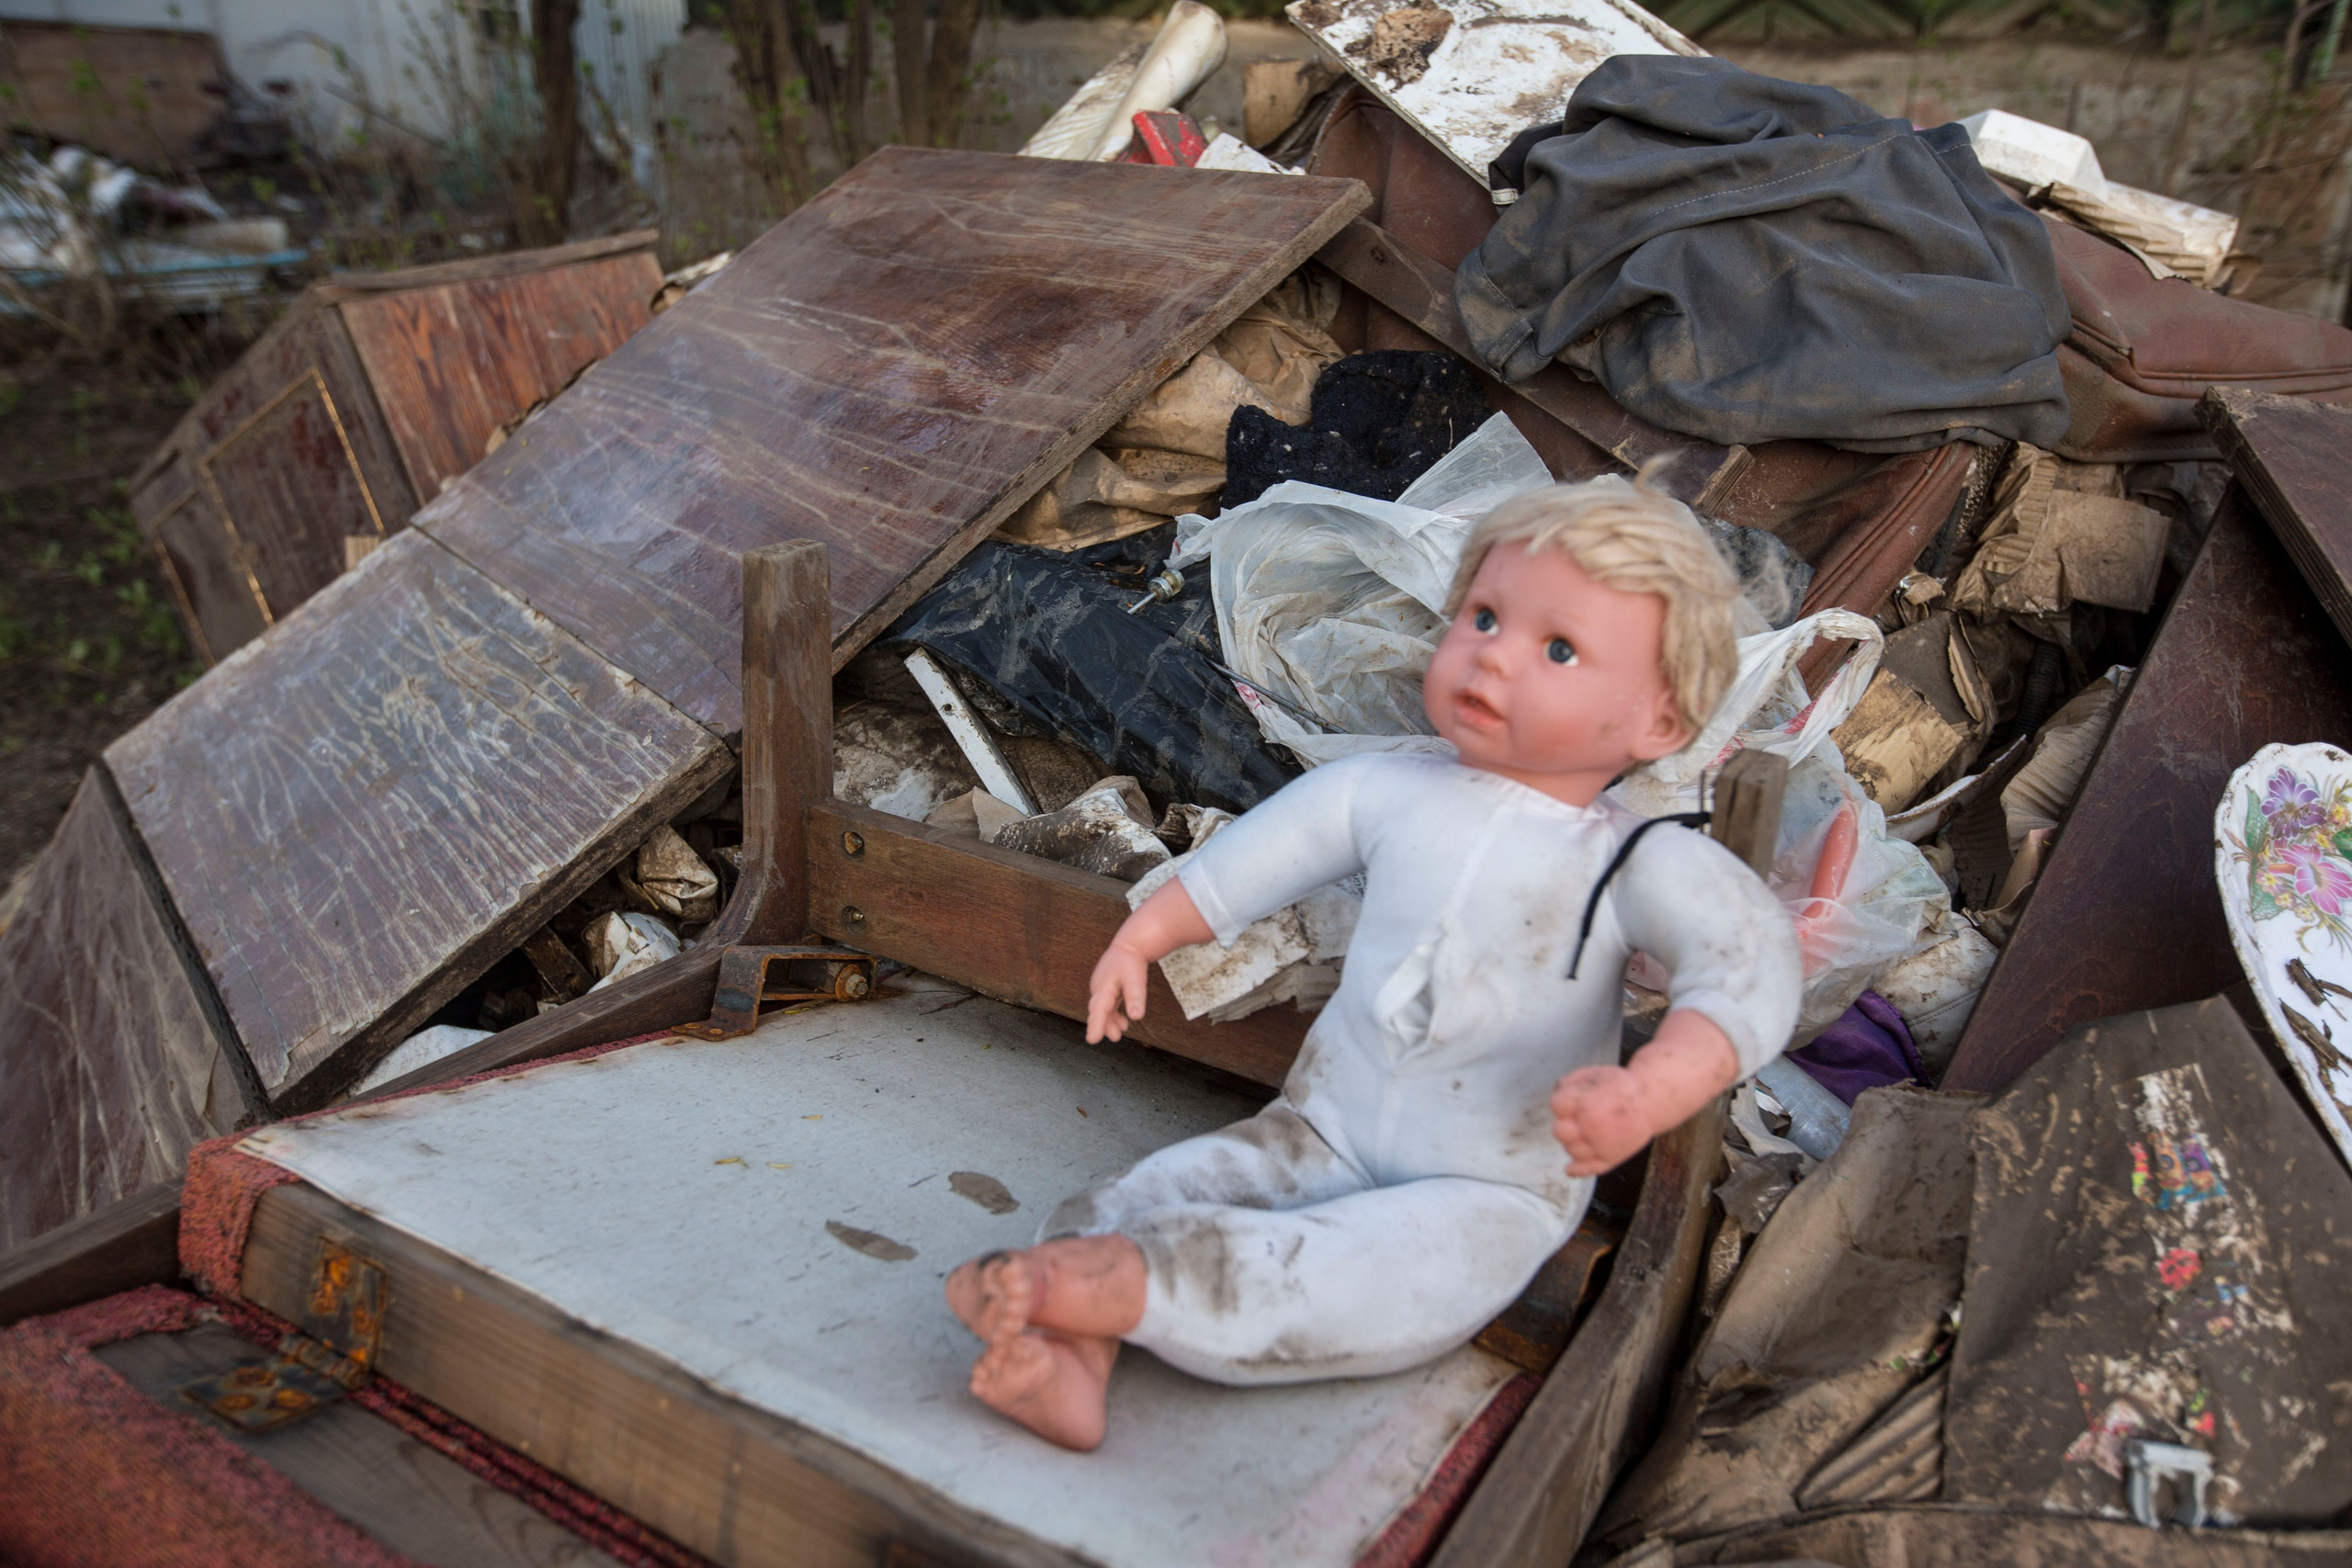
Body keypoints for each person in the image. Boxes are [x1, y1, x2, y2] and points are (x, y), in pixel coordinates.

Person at [945, 475, 1803, 1450]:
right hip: (1319, 1130)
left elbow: (1743, 967)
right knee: (1151, 1190)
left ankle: (1113, 1286)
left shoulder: (1635, 860)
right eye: (1482, 616)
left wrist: (1651, 1090)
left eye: (1557, 648)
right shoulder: (1388, 789)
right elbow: (1259, 858)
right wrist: (1146, 935)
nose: (1493, 657)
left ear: (1659, 722)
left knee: (1381, 1275)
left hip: (1488, 1187)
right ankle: (1069, 1343)